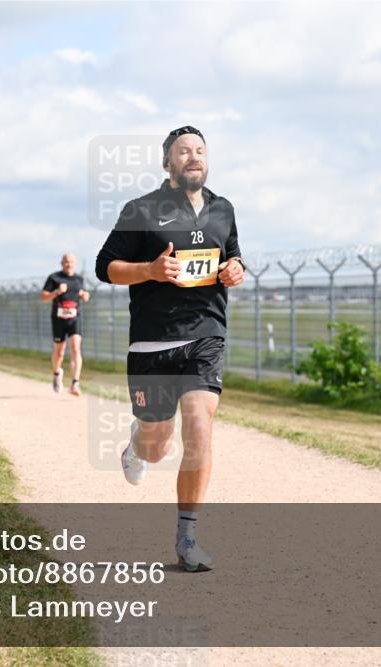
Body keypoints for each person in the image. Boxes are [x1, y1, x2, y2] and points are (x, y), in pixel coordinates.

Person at [95, 126, 245, 572]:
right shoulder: (141, 209)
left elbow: (232, 255)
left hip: (205, 334)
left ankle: (187, 539)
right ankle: (135, 446)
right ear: (167, 163)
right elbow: (107, 268)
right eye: (184, 151)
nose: (193, 157)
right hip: (151, 342)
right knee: (157, 446)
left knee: (199, 424)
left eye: (200, 150)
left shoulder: (223, 208)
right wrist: (150, 270)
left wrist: (235, 269)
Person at [40, 253, 91, 396]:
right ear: (62, 263)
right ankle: (57, 373)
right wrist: (57, 292)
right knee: (60, 352)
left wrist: (85, 295)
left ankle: (75, 383)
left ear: (75, 263)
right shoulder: (54, 278)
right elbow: (43, 297)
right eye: (66, 262)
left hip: (75, 318)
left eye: (71, 262)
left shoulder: (79, 279)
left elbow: (83, 293)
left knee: (75, 348)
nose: (69, 264)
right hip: (58, 320)